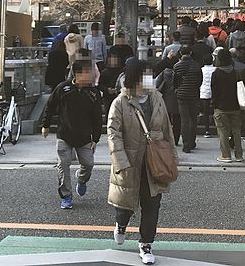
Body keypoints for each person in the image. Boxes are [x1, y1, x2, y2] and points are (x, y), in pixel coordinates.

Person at [107, 58, 177, 265]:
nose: (149, 79)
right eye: (144, 76)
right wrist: (121, 162)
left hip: (154, 161)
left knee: (152, 203)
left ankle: (146, 243)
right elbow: (113, 133)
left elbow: (167, 129)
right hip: (130, 161)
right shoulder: (120, 102)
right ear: (134, 79)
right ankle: (121, 225)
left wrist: (171, 156)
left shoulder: (157, 98)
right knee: (126, 204)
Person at [41, 59, 102, 210]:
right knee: (63, 164)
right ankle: (66, 195)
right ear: (78, 74)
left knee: (88, 164)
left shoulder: (93, 92)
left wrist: (96, 138)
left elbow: (97, 117)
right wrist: (46, 125)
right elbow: (50, 105)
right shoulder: (63, 88)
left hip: (84, 136)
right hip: (64, 134)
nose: (91, 75)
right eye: (87, 72)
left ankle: (81, 180)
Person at [211, 48, 243, 163]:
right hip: (235, 105)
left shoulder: (216, 73)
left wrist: (213, 104)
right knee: (236, 131)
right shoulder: (235, 72)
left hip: (221, 106)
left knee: (223, 131)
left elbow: (214, 91)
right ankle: (239, 155)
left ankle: (226, 155)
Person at [173, 46, 202, 153]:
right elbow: (200, 81)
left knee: (184, 120)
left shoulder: (177, 66)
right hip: (194, 94)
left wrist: (178, 89)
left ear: (180, 53)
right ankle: (192, 142)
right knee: (193, 119)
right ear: (190, 52)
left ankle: (186, 144)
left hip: (181, 95)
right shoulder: (197, 66)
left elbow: (175, 82)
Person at [155, 52, 181, 145]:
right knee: (177, 120)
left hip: (166, 98)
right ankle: (176, 139)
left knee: (167, 120)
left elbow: (157, 84)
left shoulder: (164, 73)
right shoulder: (179, 73)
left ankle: (167, 138)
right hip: (177, 98)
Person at [199, 48, 218, 138]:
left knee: (206, 113)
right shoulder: (216, 69)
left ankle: (207, 130)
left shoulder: (201, 70)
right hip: (215, 92)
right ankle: (218, 128)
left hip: (204, 92)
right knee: (216, 111)